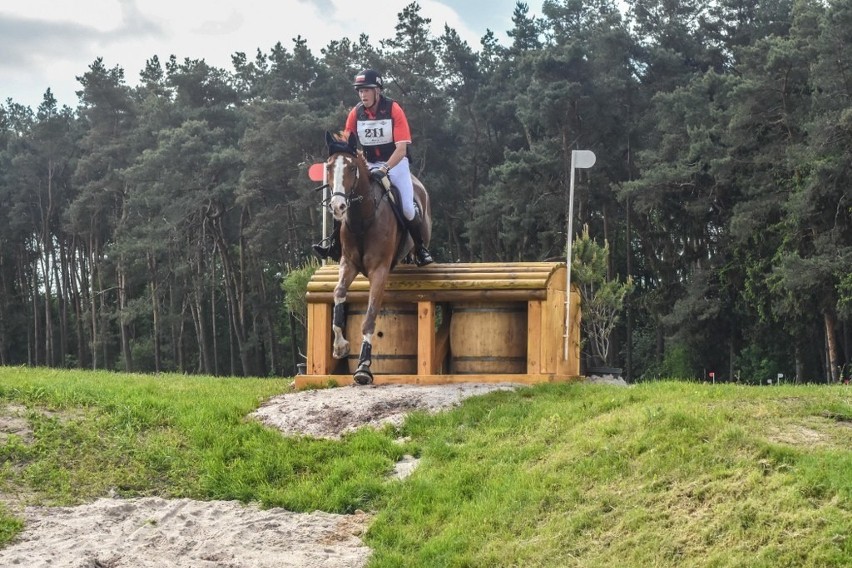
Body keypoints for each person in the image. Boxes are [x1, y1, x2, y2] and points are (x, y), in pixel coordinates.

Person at [313, 69, 434, 266]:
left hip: (395, 163)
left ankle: (420, 248)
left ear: (378, 91)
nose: (363, 95)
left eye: (367, 90)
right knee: (343, 199)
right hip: (368, 163)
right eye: (360, 91)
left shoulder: (394, 110)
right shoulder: (356, 113)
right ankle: (335, 246)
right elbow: (346, 144)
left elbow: (402, 149)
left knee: (407, 209)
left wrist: (385, 169)